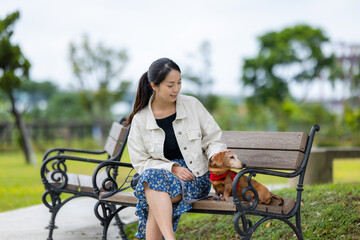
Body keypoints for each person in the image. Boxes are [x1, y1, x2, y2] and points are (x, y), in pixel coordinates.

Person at [125, 57, 226, 240]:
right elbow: (140, 161)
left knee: (152, 193)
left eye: (179, 83)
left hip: (194, 175)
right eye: (170, 85)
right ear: (154, 86)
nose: (177, 89)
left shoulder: (192, 105)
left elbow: (213, 139)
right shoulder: (141, 119)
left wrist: (215, 156)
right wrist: (172, 168)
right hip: (159, 176)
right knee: (153, 182)